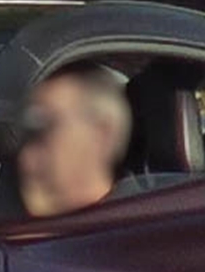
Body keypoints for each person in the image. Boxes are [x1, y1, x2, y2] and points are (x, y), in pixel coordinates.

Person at [15, 65, 130, 218]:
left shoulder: (139, 230)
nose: (25, 157)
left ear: (102, 134)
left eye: (43, 129)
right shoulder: (1, 232)